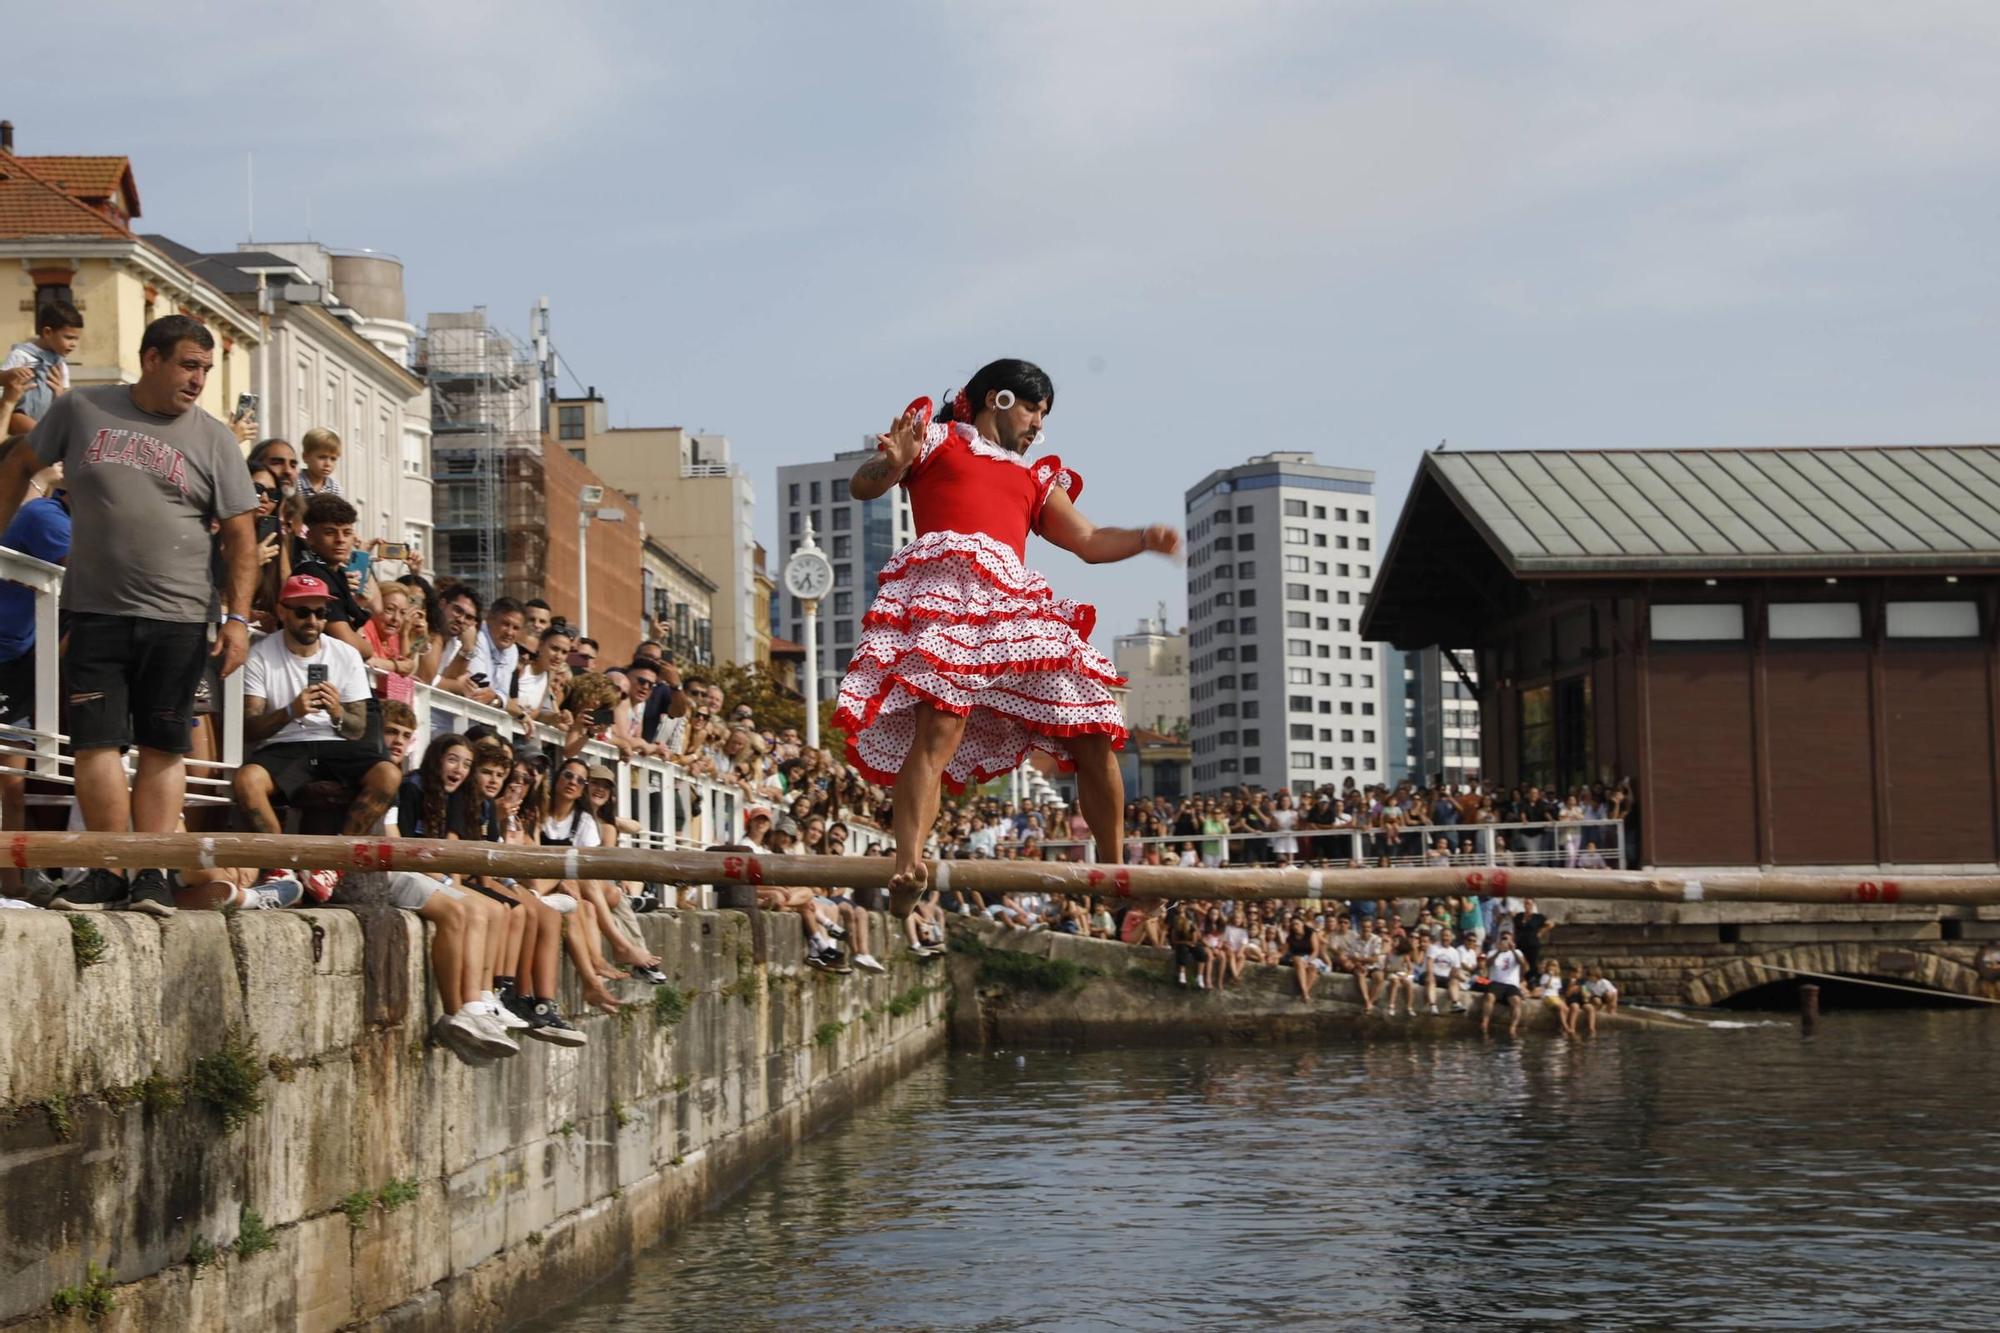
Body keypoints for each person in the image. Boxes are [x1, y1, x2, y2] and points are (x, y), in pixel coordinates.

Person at [835, 360, 1181, 914]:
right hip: (947, 593)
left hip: (1013, 607)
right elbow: (863, 486)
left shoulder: (1033, 477)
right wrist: (892, 463)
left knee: (1093, 730)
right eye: (1032, 410)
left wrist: (1142, 538)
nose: (1037, 426)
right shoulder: (938, 440)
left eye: (1044, 415)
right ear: (998, 399)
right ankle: (908, 867)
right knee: (938, 730)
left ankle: (1115, 873)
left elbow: (1088, 540)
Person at [0, 315, 258, 914]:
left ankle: (150, 872)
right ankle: (107, 867)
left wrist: (239, 619)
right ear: (151, 359)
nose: (198, 381)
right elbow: (17, 464)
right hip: (93, 607)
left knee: (164, 744)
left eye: (206, 370)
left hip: (179, 613)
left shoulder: (215, 438)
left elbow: (242, 536)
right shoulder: (82, 409)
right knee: (95, 742)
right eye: (188, 366)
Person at [232, 573, 402, 847]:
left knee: (389, 775)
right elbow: (251, 728)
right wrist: (291, 711)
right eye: (303, 612)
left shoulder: (345, 654)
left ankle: (338, 860)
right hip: (286, 746)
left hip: (336, 745)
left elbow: (357, 728)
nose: (313, 621)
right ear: (282, 611)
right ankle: (280, 862)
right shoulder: (261, 654)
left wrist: (336, 713)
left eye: (321, 612)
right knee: (246, 781)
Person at [4, 297, 81, 433]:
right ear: (47, 332)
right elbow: (2, 378)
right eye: (68, 337)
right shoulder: (22, 354)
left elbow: (64, 394)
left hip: (47, 418)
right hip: (20, 414)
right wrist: (11, 374)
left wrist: (60, 393)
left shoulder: (60, 364)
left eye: (76, 339)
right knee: (40, 438)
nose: (73, 344)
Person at [1480, 930, 1529, 1037]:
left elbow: (1523, 965)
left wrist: (1513, 951)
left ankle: (1513, 1027)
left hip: (1511, 984)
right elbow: (1487, 964)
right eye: (1503, 938)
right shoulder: (1492, 952)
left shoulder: (1517, 952)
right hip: (1496, 982)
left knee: (1516, 1001)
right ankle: (1485, 1022)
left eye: (1507, 938)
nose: (1505, 941)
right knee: (1489, 997)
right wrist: (1498, 951)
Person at [296, 426, 343, 498]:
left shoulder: (335, 488)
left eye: (333, 459)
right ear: (305, 457)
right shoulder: (296, 482)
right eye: (322, 457)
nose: (328, 464)